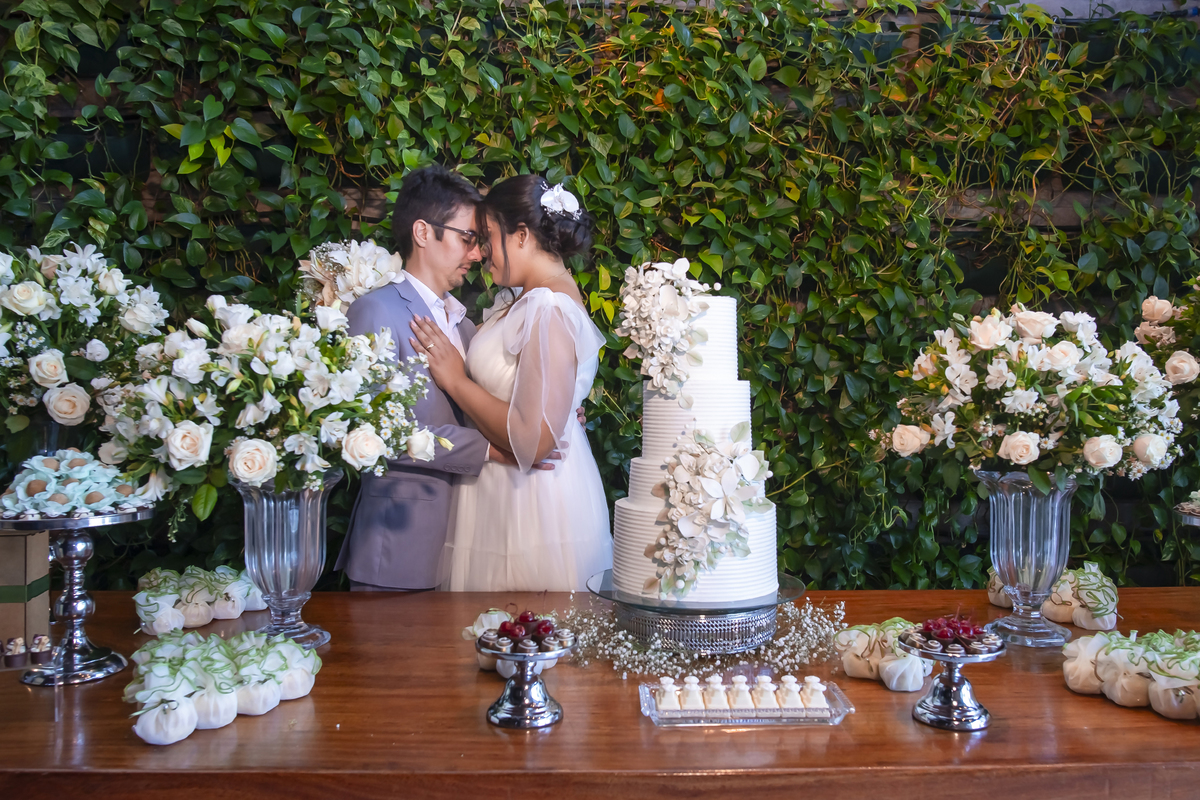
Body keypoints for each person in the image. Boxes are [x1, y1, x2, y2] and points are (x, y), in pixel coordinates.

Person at [410, 174, 614, 591]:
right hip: (498, 492)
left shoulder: (548, 307)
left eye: (487, 237)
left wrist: (455, 380)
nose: (481, 252)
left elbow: (533, 439)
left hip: (531, 501)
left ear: (521, 236)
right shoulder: (526, 299)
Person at [334, 165, 496, 592]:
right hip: (399, 547)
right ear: (423, 233)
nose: (477, 254)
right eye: (468, 238)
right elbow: (374, 431)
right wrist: (493, 450)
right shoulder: (375, 311)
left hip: (467, 543)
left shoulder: (464, 325)